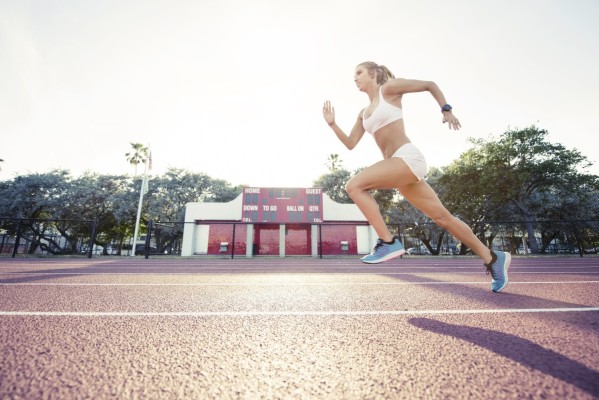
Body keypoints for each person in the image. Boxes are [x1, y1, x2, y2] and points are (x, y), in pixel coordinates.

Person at [322, 61, 510, 292]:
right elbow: (351, 143)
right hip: (400, 170)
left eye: (359, 73)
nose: (355, 78)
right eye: (354, 75)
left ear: (374, 73)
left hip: (407, 158)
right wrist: (332, 124)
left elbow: (430, 85)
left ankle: (388, 242)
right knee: (443, 218)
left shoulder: (389, 89)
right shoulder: (363, 113)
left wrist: (446, 109)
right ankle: (492, 257)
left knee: (355, 186)